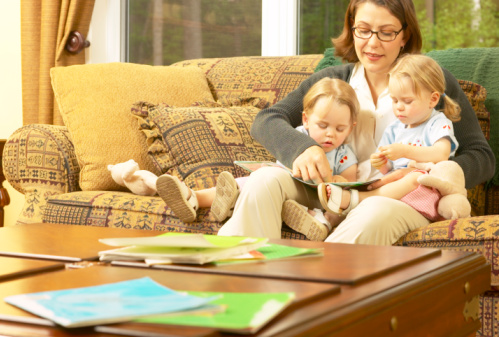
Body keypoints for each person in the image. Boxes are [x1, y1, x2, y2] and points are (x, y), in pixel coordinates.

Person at [217, 0, 495, 245]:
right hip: (332, 187)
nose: (372, 43)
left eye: (386, 32)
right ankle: (237, 285)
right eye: (363, 30)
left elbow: (481, 157)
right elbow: (266, 120)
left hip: (398, 197)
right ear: (352, 29)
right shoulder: (334, 80)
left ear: (404, 35)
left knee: (372, 212)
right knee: (264, 180)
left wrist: (429, 174)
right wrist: (303, 147)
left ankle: (313, 294)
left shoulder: (430, 80)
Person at [156, 78, 361, 241]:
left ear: (350, 127)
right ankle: (195, 198)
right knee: (249, 181)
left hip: (317, 197)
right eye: (323, 126)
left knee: (338, 208)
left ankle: (322, 223)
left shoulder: (343, 154)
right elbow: (270, 133)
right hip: (283, 188)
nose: (330, 134)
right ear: (306, 120)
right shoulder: (297, 136)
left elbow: (348, 183)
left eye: (339, 129)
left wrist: (336, 180)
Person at [318, 53, 460, 222]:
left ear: (433, 99)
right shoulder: (394, 128)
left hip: (425, 191)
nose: (399, 108)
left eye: (407, 101)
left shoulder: (438, 123)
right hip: (394, 191)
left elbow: (441, 154)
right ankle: (327, 219)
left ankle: (356, 200)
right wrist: (382, 162)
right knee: (373, 181)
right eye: (394, 100)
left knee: (415, 177)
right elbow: (388, 169)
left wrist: (405, 151)